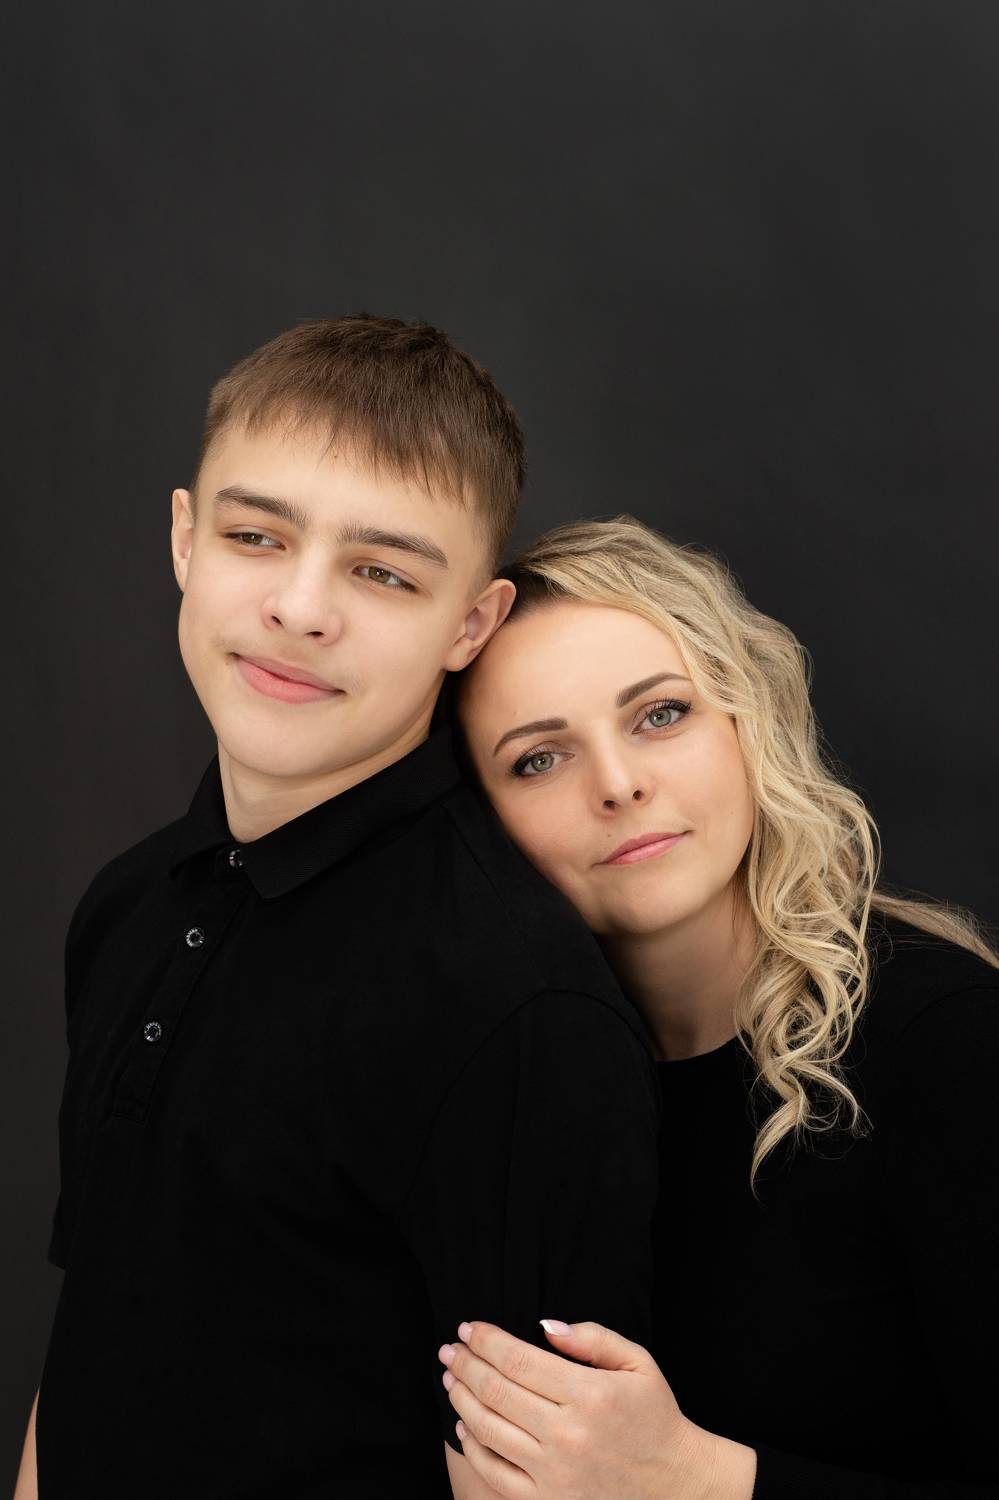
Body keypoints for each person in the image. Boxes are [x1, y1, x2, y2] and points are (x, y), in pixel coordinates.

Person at [14, 324, 665, 1500]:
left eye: (383, 573)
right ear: (184, 539)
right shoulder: (130, 905)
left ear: (471, 624)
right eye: (255, 536)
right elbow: (94, 1332)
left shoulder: (515, 1007)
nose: (301, 608)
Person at [429, 515, 999, 1500]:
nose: (619, 785)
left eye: (660, 714)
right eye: (539, 758)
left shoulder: (950, 1042)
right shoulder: (517, 1094)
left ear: (747, 722)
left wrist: (692, 1478)